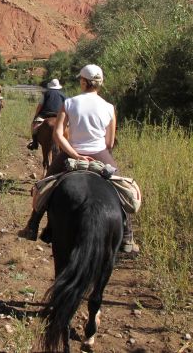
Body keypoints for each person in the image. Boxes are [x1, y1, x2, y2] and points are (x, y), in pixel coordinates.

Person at [19, 64, 139, 253]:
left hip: (71, 152)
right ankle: (127, 236)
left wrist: (75, 155)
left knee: (45, 185)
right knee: (121, 187)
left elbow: (58, 135)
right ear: (100, 83)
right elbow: (109, 142)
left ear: (83, 82)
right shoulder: (109, 107)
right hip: (101, 153)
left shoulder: (70, 103)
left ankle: (32, 225)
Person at [26, 78, 66, 150]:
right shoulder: (63, 95)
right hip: (59, 116)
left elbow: (40, 106)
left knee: (34, 126)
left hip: (45, 114)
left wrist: (35, 115)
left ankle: (34, 143)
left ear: (50, 86)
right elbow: (66, 107)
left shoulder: (46, 94)